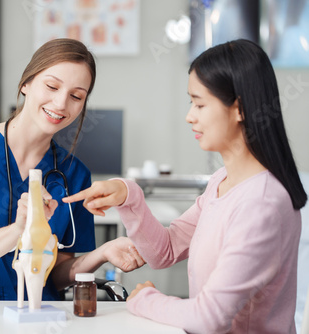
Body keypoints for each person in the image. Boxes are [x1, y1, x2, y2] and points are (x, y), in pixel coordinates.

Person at [64, 39, 307, 333]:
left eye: (200, 104)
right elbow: (164, 251)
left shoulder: (262, 203)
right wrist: (129, 196)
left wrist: (146, 299)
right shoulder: (223, 183)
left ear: (239, 108)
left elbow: (208, 316)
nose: (190, 115)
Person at [0, 38, 144, 301]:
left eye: (76, 96)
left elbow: (57, 275)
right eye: (51, 86)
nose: (61, 103)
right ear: (26, 83)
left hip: (38, 311)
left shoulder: (74, 174)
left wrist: (102, 253)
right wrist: (19, 229)